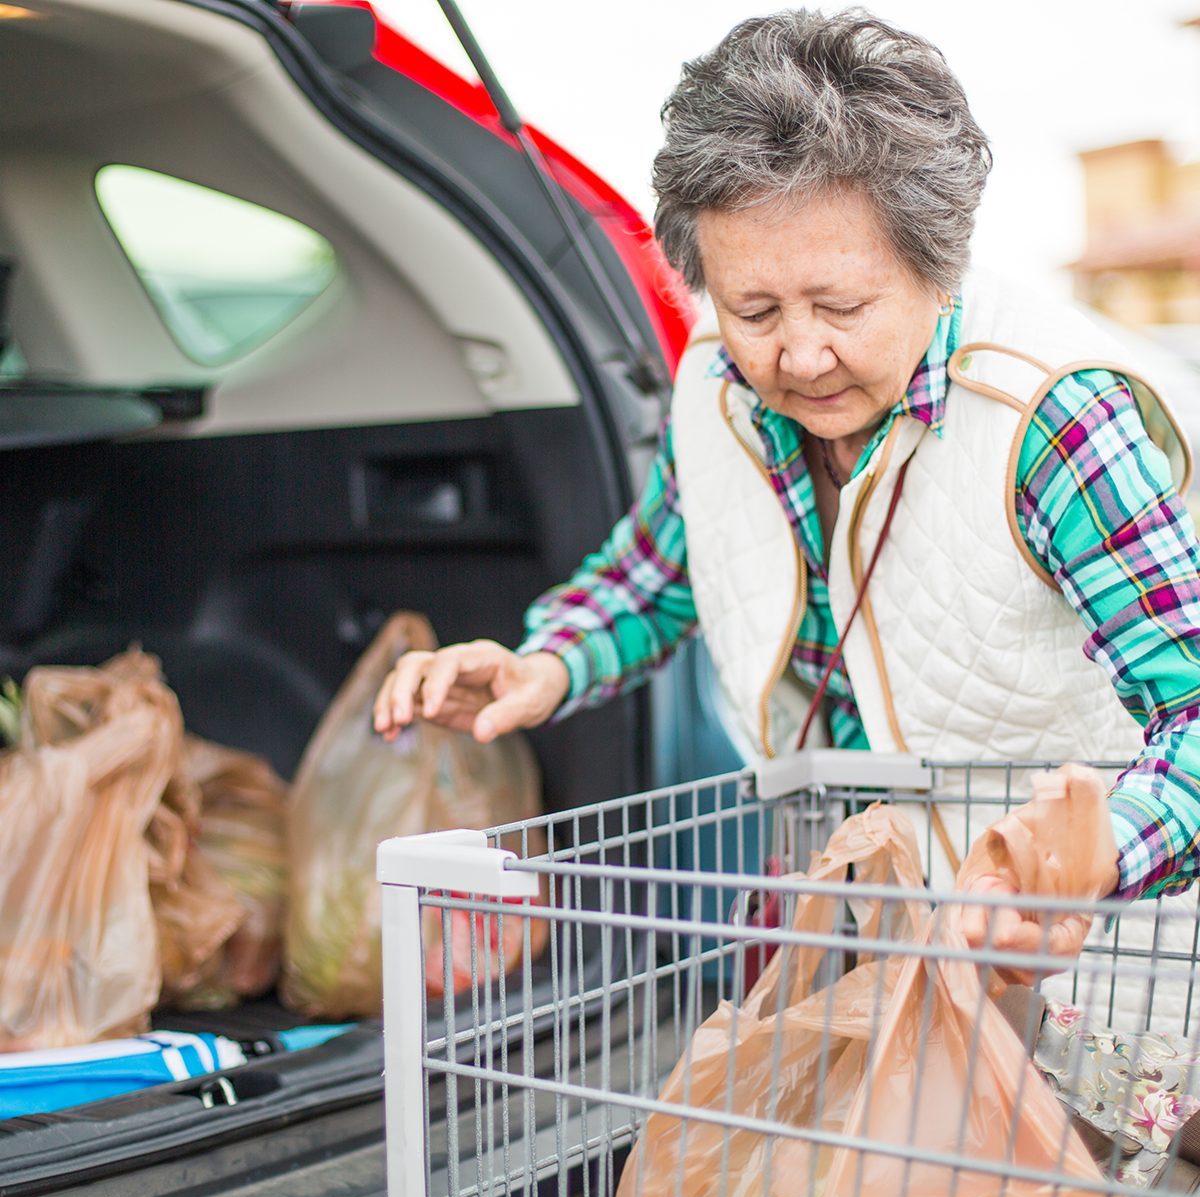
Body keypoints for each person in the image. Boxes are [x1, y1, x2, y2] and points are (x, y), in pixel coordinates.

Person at [374, 9, 1200, 936]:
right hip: (862, 905)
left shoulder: (1053, 420)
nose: (800, 357)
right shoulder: (720, 382)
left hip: (1085, 958)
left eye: (842, 305)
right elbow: (658, 574)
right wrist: (543, 665)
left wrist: (1087, 860)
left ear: (940, 268)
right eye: (754, 308)